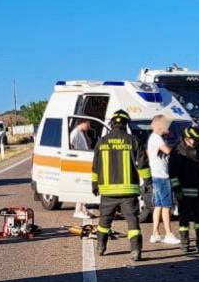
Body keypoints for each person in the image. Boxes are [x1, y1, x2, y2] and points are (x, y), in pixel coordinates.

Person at [92, 110, 152, 261]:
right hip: (128, 192)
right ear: (125, 124)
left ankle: (101, 246)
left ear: (112, 124)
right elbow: (143, 163)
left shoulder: (102, 141)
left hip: (107, 192)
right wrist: (147, 182)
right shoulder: (133, 140)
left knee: (104, 222)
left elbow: (95, 166)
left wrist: (94, 184)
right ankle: (135, 251)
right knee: (132, 222)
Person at [169, 126, 199, 253]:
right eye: (192, 139)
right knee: (184, 220)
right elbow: (173, 173)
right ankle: (185, 244)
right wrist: (177, 189)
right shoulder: (177, 151)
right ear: (186, 138)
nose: (194, 142)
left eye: (196, 140)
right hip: (184, 191)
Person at [147, 115, 180, 244]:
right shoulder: (157, 139)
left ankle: (155, 233)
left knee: (159, 206)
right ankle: (169, 234)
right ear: (162, 126)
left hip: (157, 175)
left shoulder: (153, 138)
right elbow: (168, 151)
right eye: (167, 126)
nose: (169, 128)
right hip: (162, 176)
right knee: (166, 206)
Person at [70, 119, 93, 219]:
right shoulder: (75, 133)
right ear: (82, 122)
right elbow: (72, 146)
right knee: (81, 185)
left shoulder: (82, 132)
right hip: (78, 161)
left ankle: (83, 208)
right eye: (88, 123)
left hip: (84, 160)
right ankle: (78, 210)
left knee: (85, 185)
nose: (89, 125)